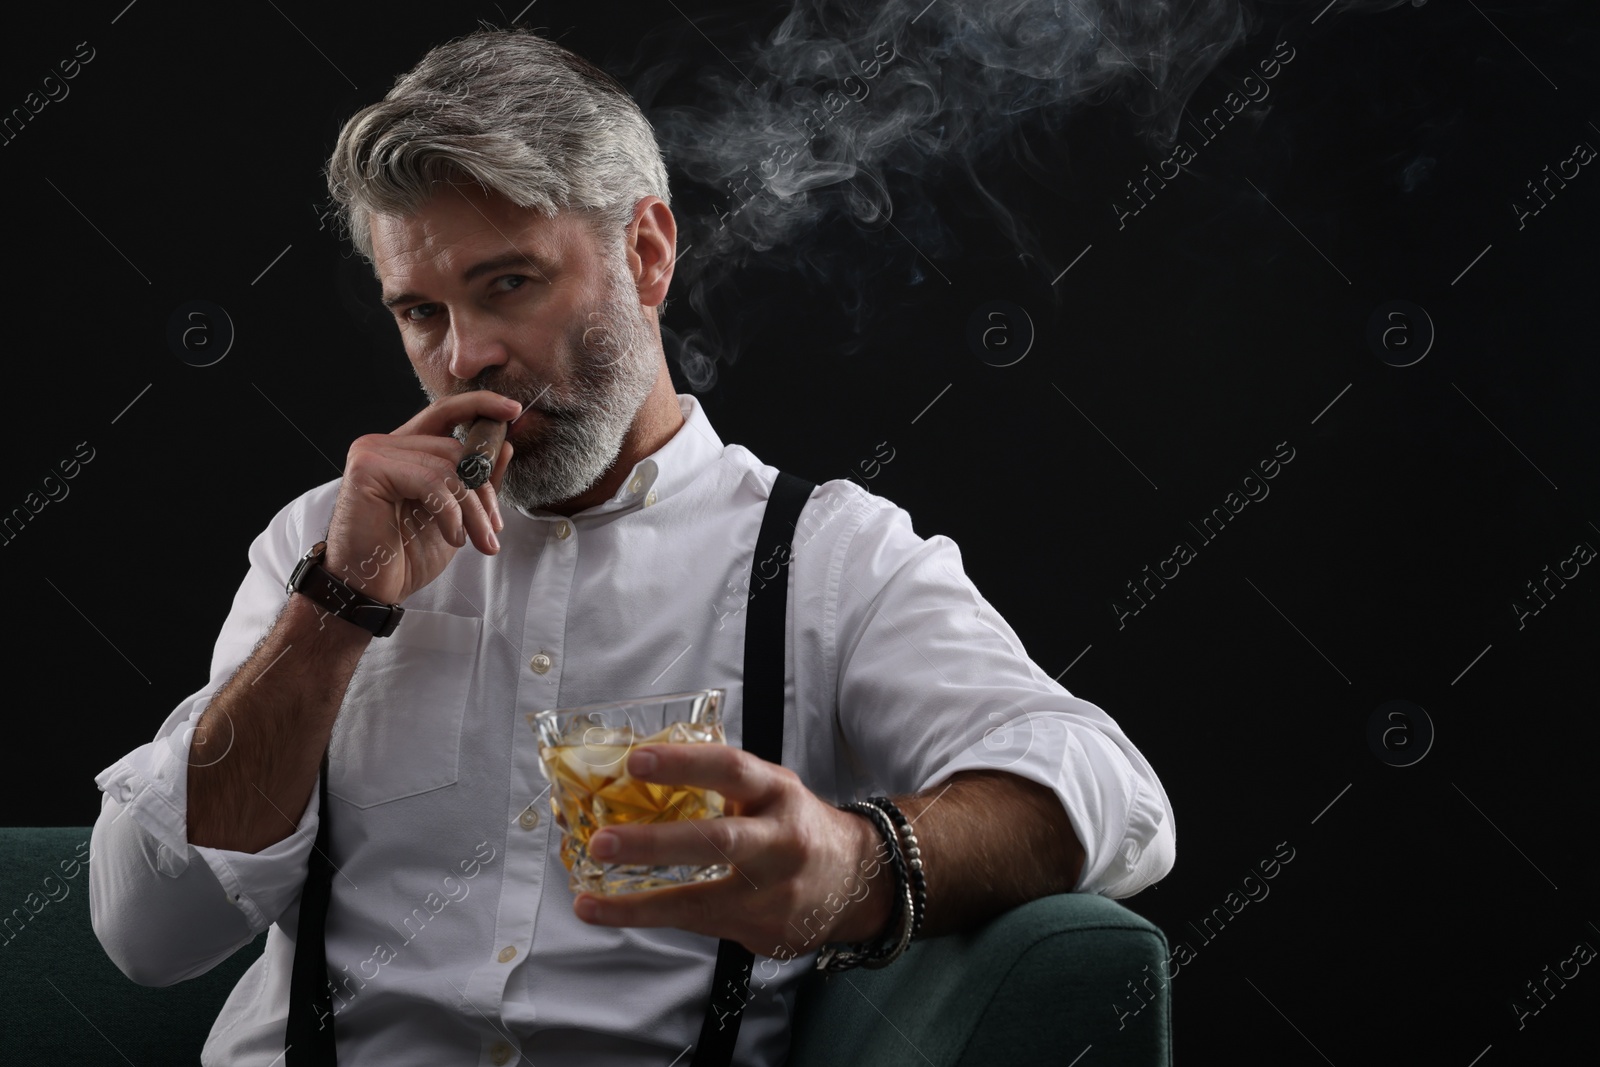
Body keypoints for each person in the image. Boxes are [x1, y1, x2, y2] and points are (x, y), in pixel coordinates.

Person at [88, 26, 1175, 1067]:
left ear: (646, 252)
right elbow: (146, 930)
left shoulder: (824, 558)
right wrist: (333, 614)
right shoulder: (317, 542)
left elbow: (1117, 799)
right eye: (420, 311)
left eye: (508, 282)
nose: (469, 356)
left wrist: (860, 862)